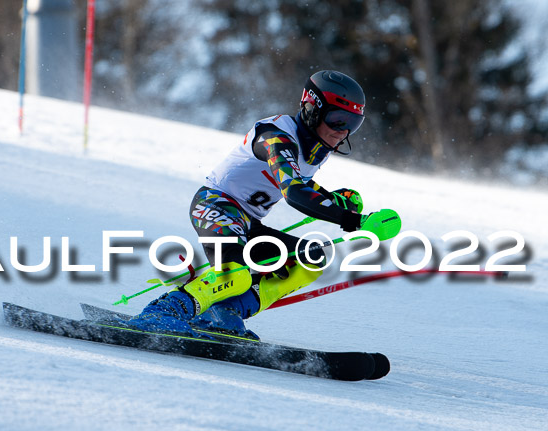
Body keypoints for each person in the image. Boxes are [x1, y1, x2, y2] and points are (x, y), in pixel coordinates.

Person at [129, 70, 370, 338]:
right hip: (216, 205)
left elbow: (300, 182)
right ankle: (162, 313)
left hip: (246, 222)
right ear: (313, 108)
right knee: (235, 275)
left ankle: (222, 313)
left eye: (353, 123)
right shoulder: (276, 136)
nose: (343, 131)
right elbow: (294, 191)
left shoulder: (314, 149)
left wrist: (340, 200)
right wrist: (351, 220)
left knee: (311, 259)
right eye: (338, 119)